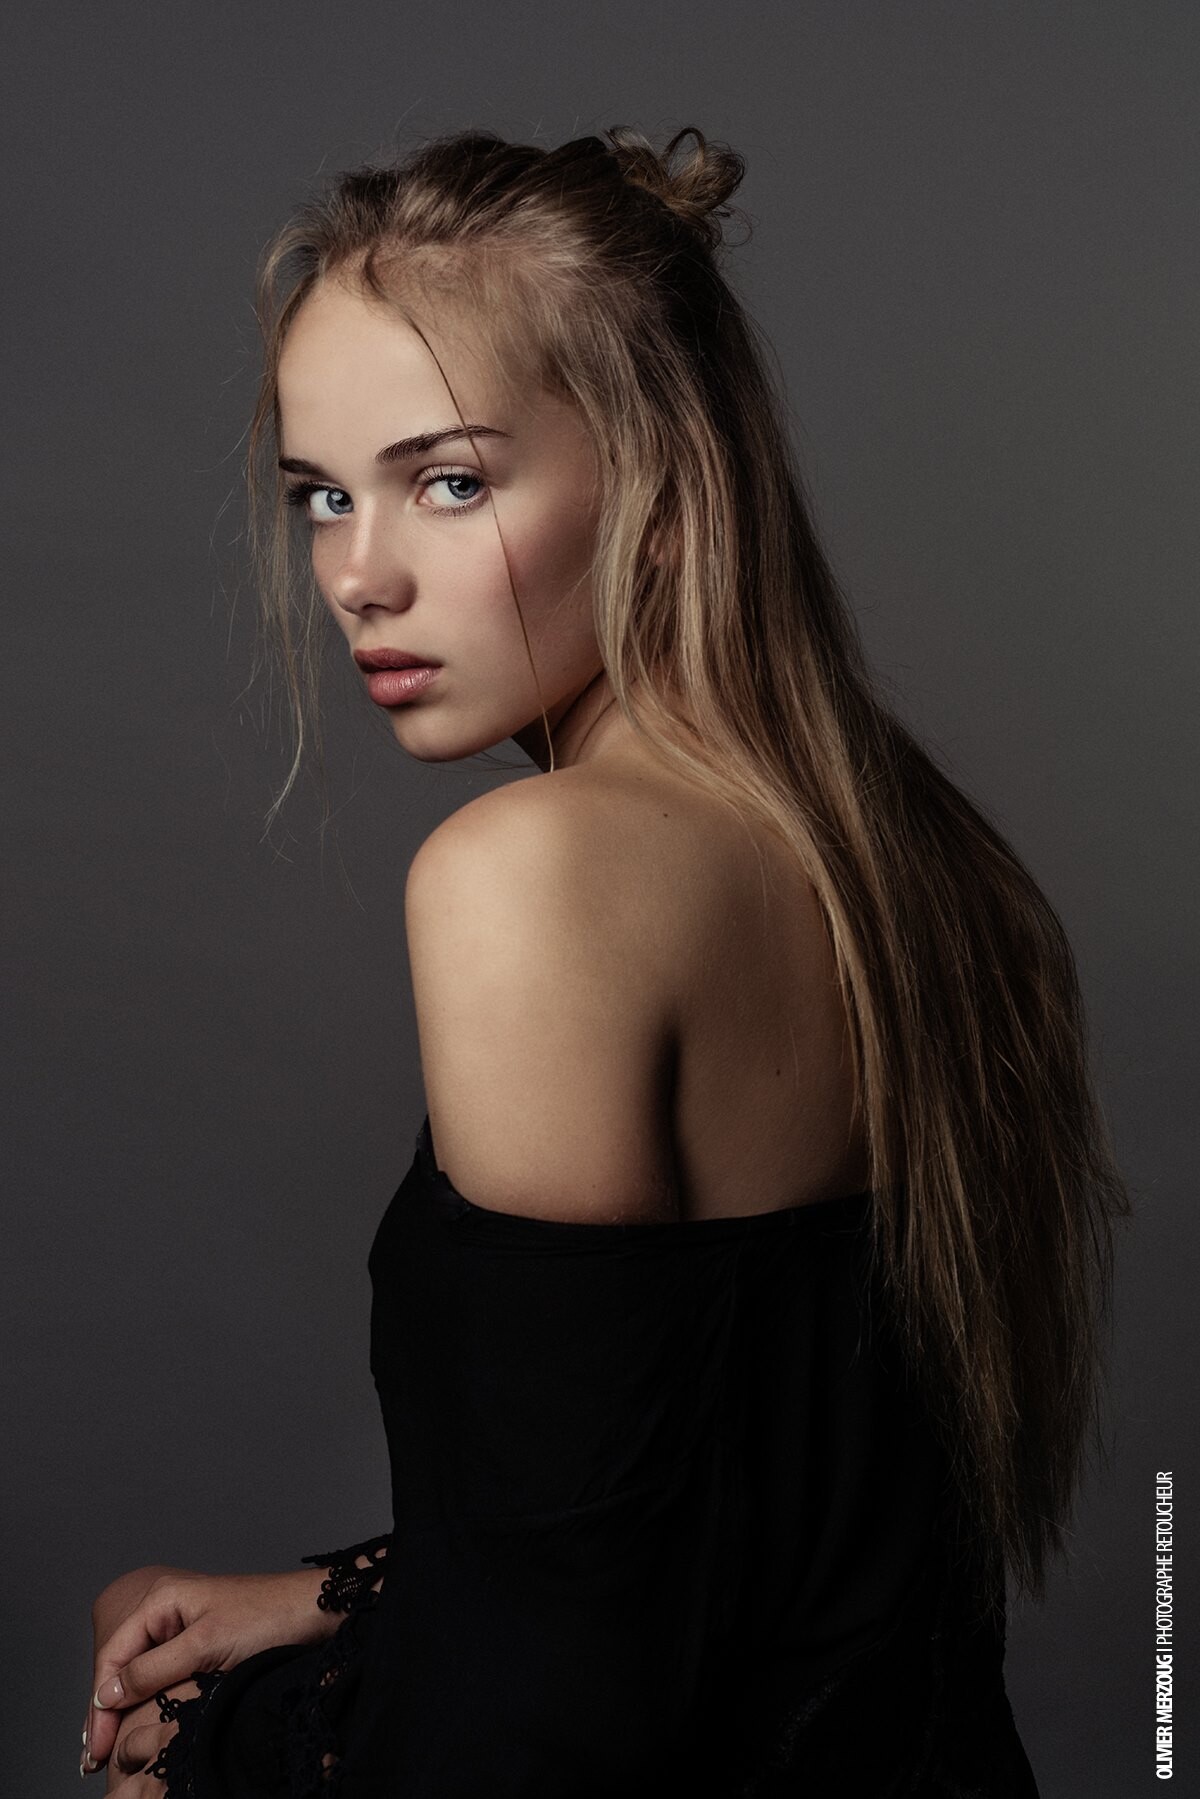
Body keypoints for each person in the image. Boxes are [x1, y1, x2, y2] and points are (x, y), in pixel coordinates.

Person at [81, 124, 1128, 1796]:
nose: (357, 574)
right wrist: (336, 1603)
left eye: (449, 481)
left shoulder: (530, 877)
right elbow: (731, 1521)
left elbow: (553, 1719)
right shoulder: (931, 868)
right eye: (323, 496)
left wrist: (218, 1758)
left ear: (661, 483)